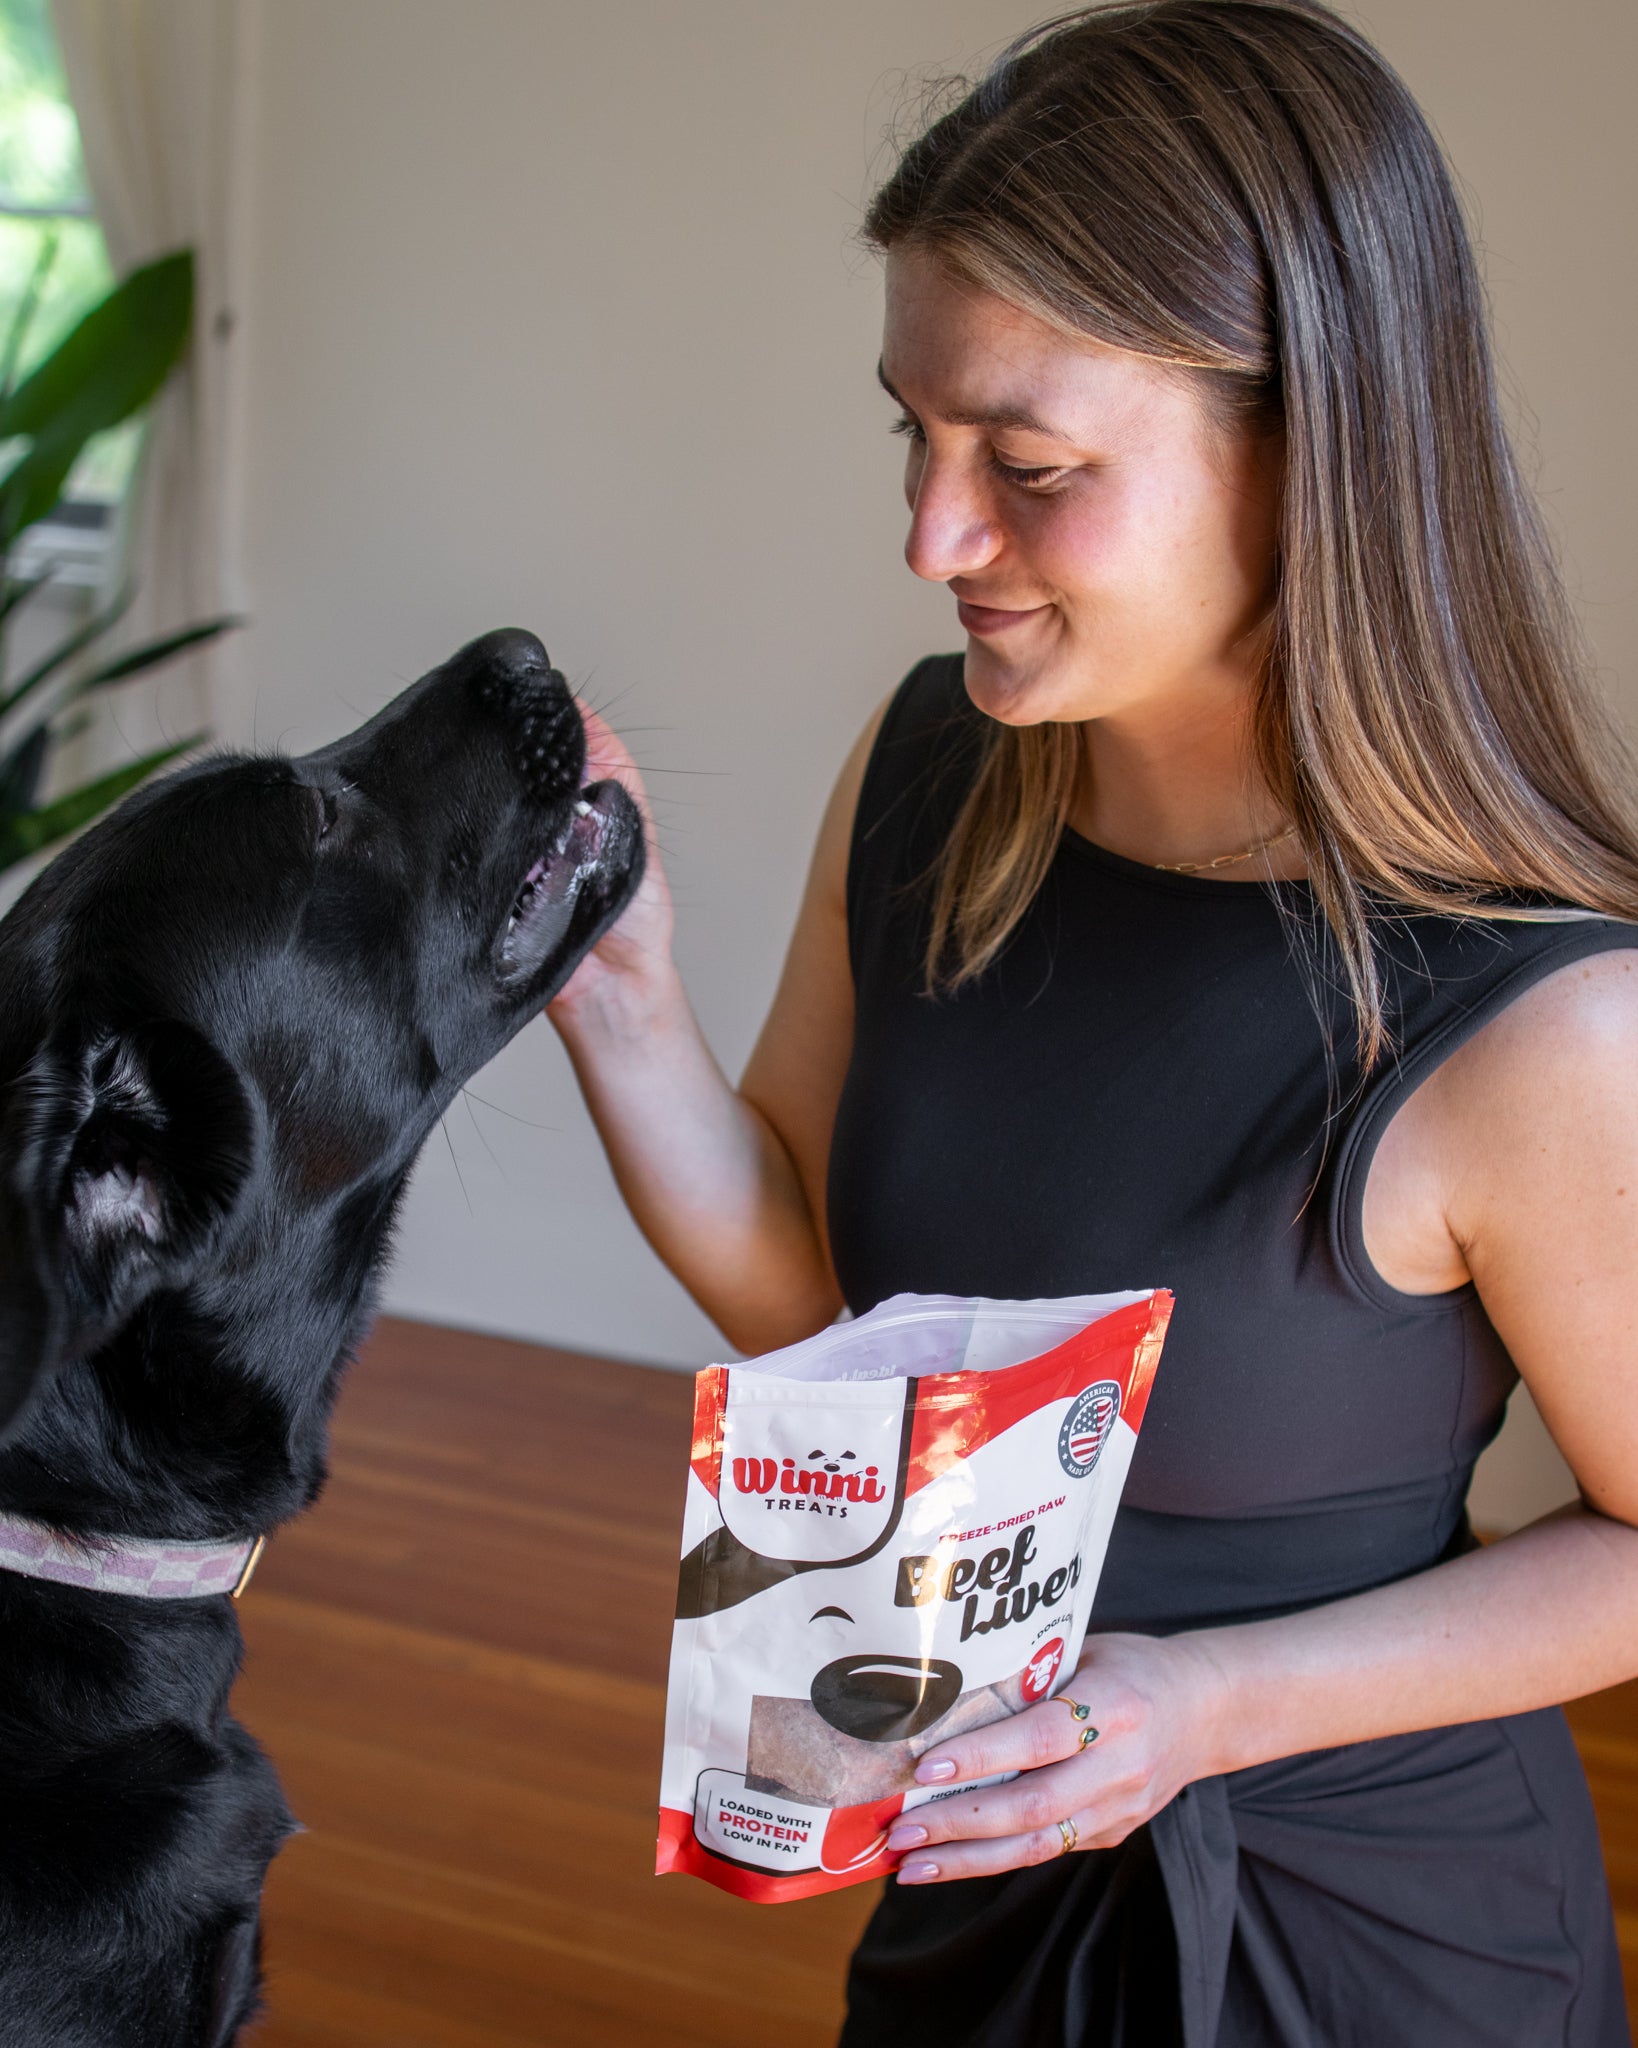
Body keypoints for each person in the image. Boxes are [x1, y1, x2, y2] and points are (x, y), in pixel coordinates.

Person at [548, 2, 1638, 2040]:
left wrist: (1201, 1704)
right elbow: (827, 1311)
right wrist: (619, 1001)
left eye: (1028, 467)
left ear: (1308, 455)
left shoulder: (1540, 1020)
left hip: (1364, 1945)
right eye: (913, 432)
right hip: (981, 1859)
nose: (932, 537)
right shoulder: (927, 777)